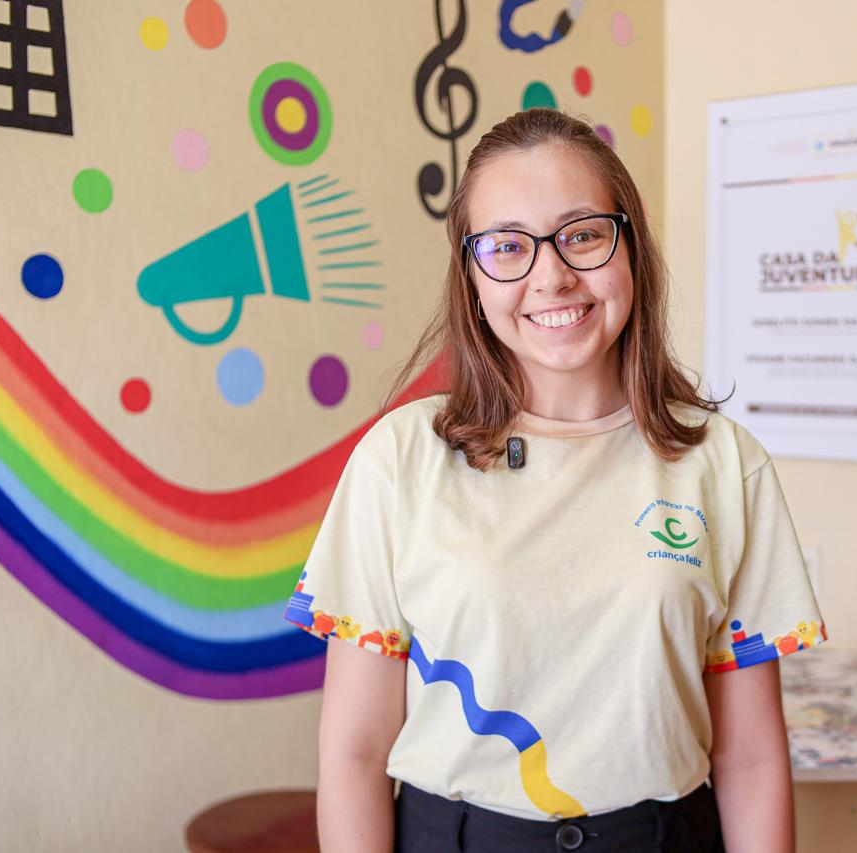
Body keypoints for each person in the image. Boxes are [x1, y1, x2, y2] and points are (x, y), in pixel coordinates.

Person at [285, 108, 827, 853]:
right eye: (508, 246)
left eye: (582, 234)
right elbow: (354, 753)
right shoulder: (399, 458)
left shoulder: (724, 463)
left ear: (630, 245)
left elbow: (752, 757)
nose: (552, 276)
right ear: (472, 276)